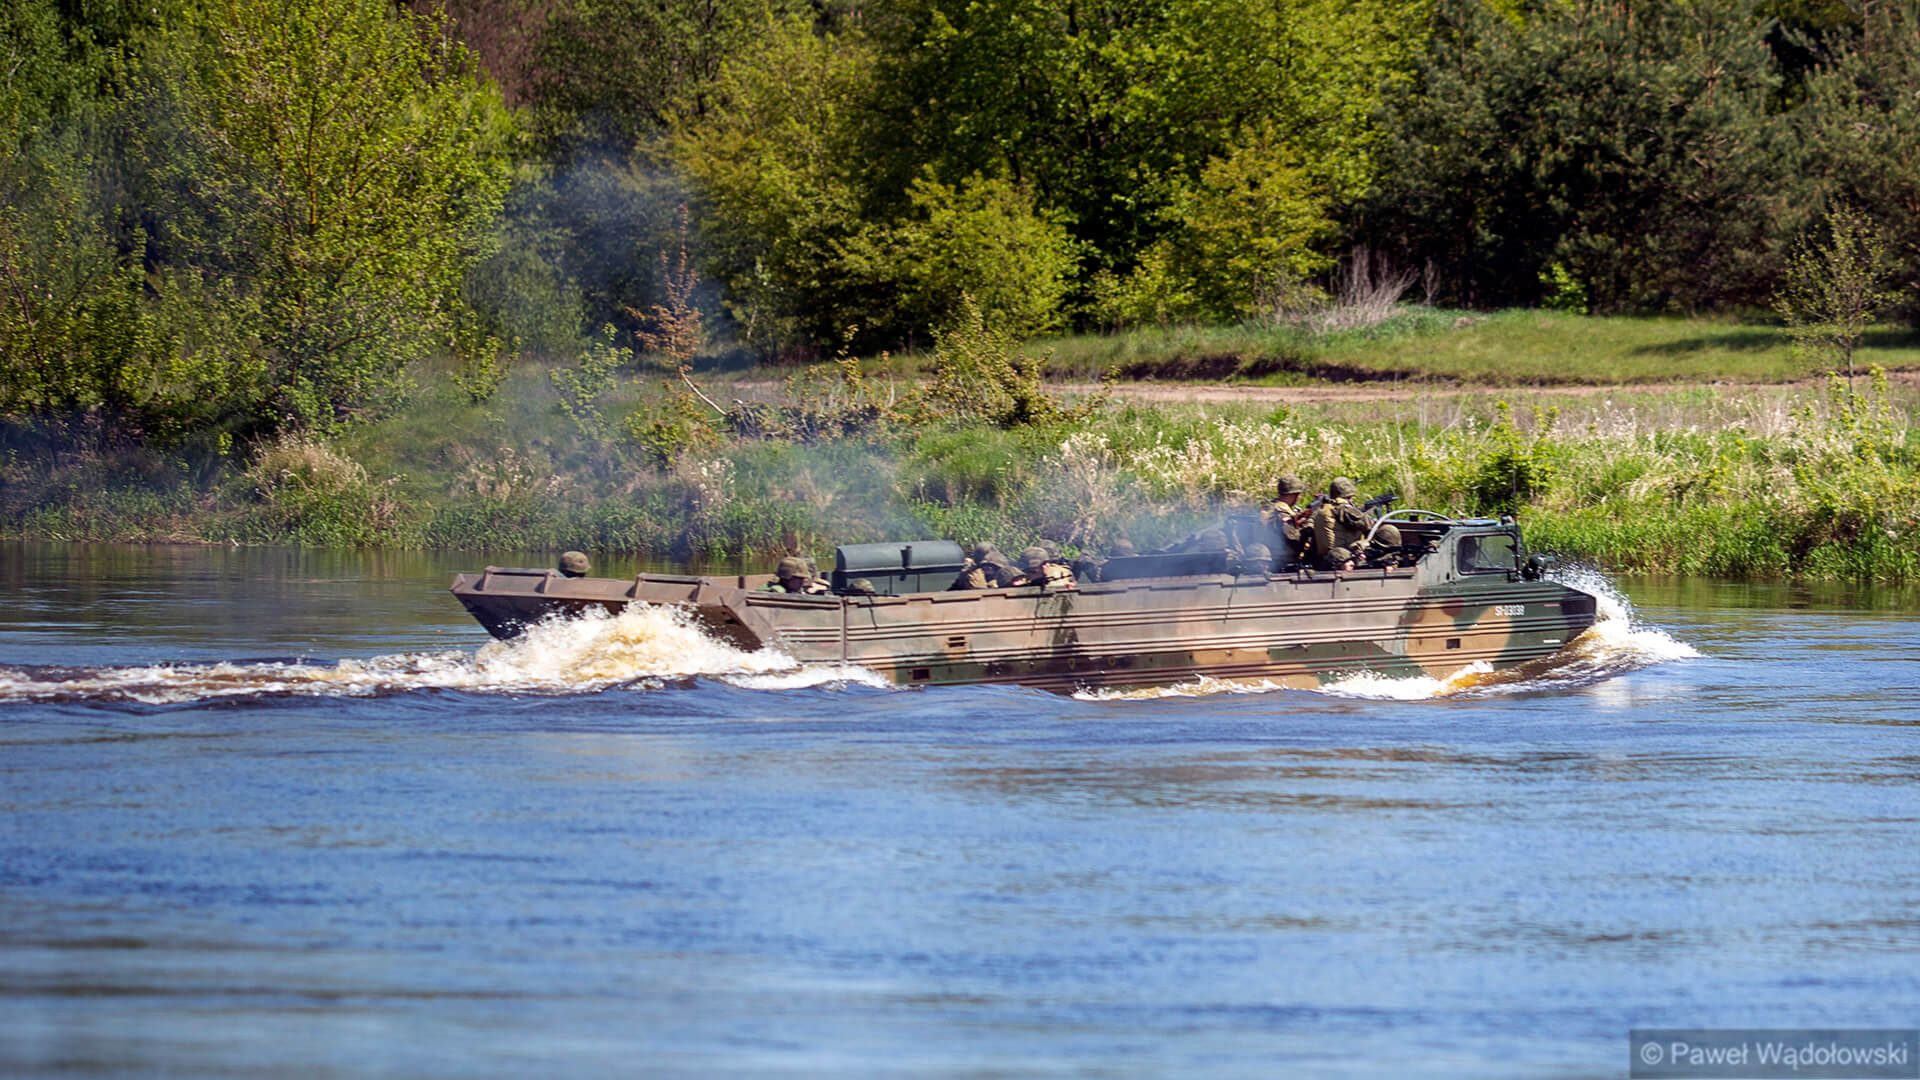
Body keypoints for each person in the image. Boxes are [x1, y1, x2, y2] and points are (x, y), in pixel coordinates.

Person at [1311, 477, 1374, 570]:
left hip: (1328, 558)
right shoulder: (1341, 508)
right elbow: (1366, 524)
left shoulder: (1324, 508)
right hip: (1343, 557)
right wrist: (1370, 513)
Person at [1263, 475, 1310, 568]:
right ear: (1294, 494)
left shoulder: (1270, 507)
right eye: (1299, 494)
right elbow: (1294, 540)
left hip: (1269, 558)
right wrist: (1308, 527)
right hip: (1283, 561)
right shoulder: (1282, 513)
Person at [763, 555, 829, 594]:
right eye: (799, 578)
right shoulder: (777, 591)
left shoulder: (788, 589)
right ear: (786, 578)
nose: (802, 582)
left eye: (803, 578)